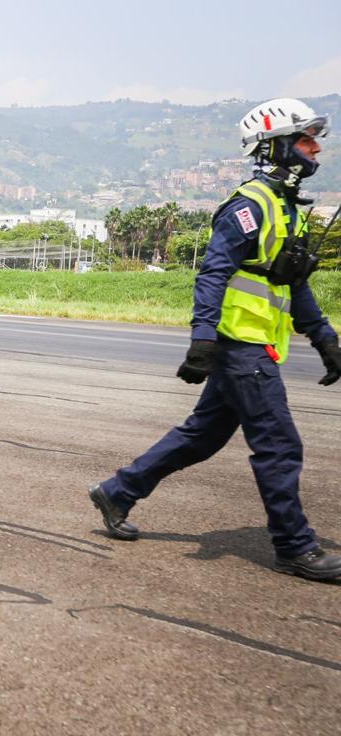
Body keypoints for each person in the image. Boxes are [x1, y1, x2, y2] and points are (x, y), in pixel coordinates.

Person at [89, 97, 341, 582]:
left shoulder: (287, 209)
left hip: (256, 342)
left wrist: (325, 338)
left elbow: (290, 282)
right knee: (279, 445)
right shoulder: (248, 206)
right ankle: (295, 547)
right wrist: (202, 340)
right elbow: (213, 274)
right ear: (277, 146)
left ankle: (117, 491)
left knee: (201, 436)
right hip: (239, 345)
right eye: (307, 140)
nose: (316, 150)